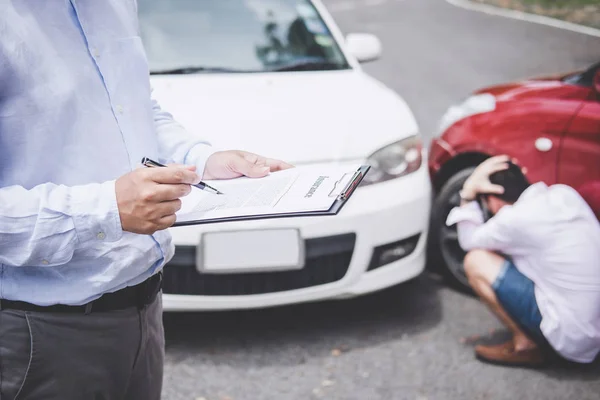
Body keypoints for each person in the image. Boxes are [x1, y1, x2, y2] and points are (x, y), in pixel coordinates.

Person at [0, 2, 292, 400]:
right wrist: (105, 209)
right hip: (40, 332)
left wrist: (201, 160)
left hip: (144, 309)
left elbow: (132, 109)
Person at [446, 155, 600, 367]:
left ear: (494, 200)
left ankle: (525, 345)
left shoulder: (514, 219)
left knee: (476, 260)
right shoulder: (564, 193)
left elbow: (468, 241)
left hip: (573, 338)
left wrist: (467, 194)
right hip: (595, 332)